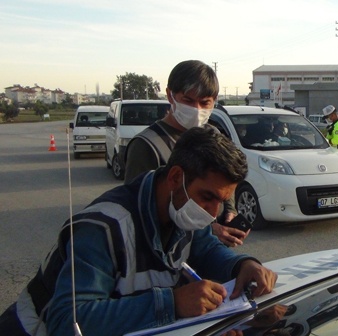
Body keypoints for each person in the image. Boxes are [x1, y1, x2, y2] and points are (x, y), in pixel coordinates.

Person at [0, 127, 277, 336]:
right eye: (208, 197)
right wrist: (172, 304)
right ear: (176, 178)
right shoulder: (102, 228)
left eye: (222, 200)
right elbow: (68, 321)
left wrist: (242, 265)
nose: (214, 212)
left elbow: (204, 248)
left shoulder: (181, 205)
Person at [124, 60, 247, 247]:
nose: (196, 109)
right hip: (169, 251)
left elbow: (224, 180)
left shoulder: (213, 135)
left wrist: (230, 211)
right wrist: (208, 231)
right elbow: (139, 212)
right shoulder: (146, 145)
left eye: (204, 102)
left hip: (211, 249)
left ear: (214, 101)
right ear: (170, 96)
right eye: (188, 100)